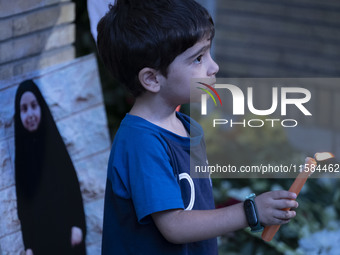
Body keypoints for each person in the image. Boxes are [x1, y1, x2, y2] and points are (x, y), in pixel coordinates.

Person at [97, 1, 299, 254]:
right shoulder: (142, 142)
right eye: (198, 58)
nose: (214, 67)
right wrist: (251, 211)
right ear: (152, 78)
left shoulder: (183, 126)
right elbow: (175, 226)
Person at [14, 80, 87, 255]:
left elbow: (72, 186)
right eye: (24, 109)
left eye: (33, 106)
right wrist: (29, 245)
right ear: (19, 114)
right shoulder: (21, 157)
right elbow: (24, 205)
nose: (30, 114)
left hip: (68, 235)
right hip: (42, 242)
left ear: (41, 107)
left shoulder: (53, 144)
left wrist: (78, 224)